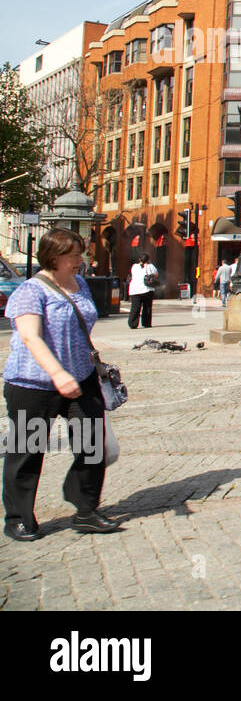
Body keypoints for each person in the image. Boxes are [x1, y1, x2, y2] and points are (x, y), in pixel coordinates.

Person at [3, 228, 121, 541]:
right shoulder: (31, 291)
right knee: (28, 448)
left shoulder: (79, 283)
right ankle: (18, 517)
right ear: (53, 257)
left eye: (80, 254)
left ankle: (85, 509)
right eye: (73, 256)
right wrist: (57, 373)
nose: (80, 261)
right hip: (33, 382)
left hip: (81, 378)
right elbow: (30, 337)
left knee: (92, 443)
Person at [126, 252, 158, 330]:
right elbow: (156, 274)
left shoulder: (134, 266)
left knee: (135, 307)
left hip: (134, 289)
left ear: (139, 259)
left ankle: (132, 323)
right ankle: (146, 323)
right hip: (147, 289)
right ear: (148, 259)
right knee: (147, 307)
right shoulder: (150, 266)